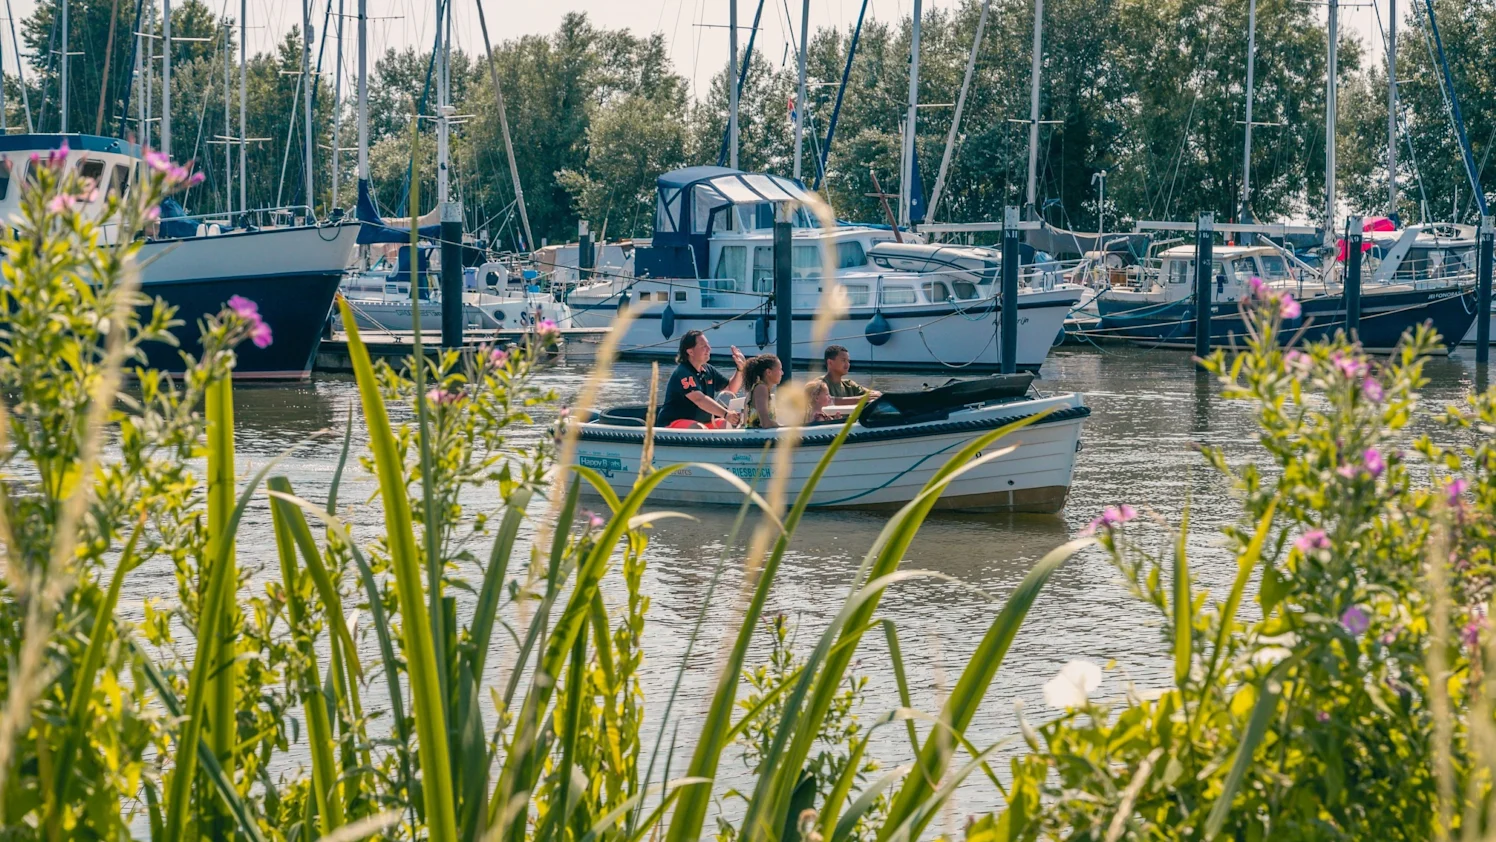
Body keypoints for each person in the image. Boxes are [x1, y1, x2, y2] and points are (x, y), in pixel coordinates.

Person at [657, 330, 747, 428]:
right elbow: (699, 399)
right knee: (698, 428)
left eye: (708, 345)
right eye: (703, 346)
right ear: (690, 351)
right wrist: (726, 414)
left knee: (732, 425)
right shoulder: (683, 372)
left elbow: (730, 389)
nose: (709, 348)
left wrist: (740, 369)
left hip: (703, 422)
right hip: (673, 423)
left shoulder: (708, 370)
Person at [817, 345, 881, 404]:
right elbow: (826, 401)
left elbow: (875, 394)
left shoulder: (849, 384)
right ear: (830, 362)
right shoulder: (819, 383)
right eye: (843, 360)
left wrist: (874, 396)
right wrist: (859, 399)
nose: (847, 365)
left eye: (848, 361)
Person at [742, 354, 784, 428]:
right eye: (780, 369)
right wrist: (785, 427)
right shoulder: (761, 388)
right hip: (756, 438)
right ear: (768, 372)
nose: (782, 373)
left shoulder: (761, 388)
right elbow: (765, 423)